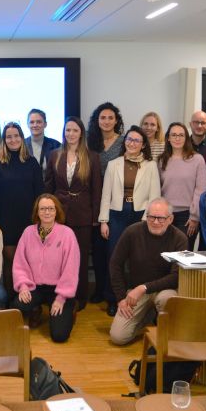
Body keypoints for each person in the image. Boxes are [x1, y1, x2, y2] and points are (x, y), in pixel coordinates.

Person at [98, 126, 161, 316]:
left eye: (137, 140)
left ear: (143, 145)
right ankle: (113, 298)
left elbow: (154, 195)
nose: (132, 143)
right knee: (115, 257)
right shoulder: (114, 164)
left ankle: (137, 298)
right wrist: (103, 220)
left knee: (139, 258)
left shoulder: (150, 165)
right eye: (129, 139)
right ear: (124, 141)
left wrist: (148, 220)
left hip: (141, 214)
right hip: (117, 214)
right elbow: (105, 194)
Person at [108, 198, 187, 345]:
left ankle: (167, 332)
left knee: (166, 300)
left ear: (170, 219)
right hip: (137, 293)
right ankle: (148, 315)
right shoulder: (132, 232)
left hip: (165, 291)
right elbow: (115, 264)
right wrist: (120, 298)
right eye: (151, 217)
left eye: (161, 218)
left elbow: (176, 277)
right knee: (118, 337)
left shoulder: (179, 238)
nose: (155, 222)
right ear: (146, 216)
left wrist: (144, 288)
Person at [44, 117, 101, 310]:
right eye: (68, 130)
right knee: (57, 257)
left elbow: (96, 190)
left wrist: (95, 218)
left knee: (80, 257)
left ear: (81, 133)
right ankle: (59, 295)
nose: (71, 134)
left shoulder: (92, 157)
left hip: (83, 215)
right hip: (58, 214)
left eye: (75, 130)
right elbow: (49, 187)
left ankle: (79, 297)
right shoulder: (54, 155)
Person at [12, 194, 79, 343]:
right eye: (43, 209)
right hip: (34, 286)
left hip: (60, 289)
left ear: (57, 211)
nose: (47, 212)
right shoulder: (28, 232)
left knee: (59, 336)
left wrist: (61, 298)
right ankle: (36, 309)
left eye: (50, 209)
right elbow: (19, 264)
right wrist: (23, 286)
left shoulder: (67, 234)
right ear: (37, 212)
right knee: (17, 305)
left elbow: (71, 270)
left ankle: (70, 306)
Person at [0, 122, 44, 295]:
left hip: (29, 223)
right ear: (4, 140)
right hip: (6, 225)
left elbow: (40, 194)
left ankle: (32, 305)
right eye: (9, 137)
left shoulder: (32, 162)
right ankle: (13, 304)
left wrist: (39, 222)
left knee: (32, 264)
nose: (13, 140)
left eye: (16, 136)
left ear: (21, 137)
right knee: (11, 265)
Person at [86, 102, 125, 304]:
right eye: (103, 117)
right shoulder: (90, 140)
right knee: (98, 250)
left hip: (117, 201)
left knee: (114, 251)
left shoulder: (125, 141)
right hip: (94, 199)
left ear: (116, 120)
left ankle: (113, 293)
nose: (107, 121)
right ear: (97, 120)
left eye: (110, 117)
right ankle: (100, 289)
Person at [158, 122, 206, 251]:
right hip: (164, 214)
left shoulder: (197, 159)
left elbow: (201, 190)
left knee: (183, 254)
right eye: (174, 135)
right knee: (164, 254)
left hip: (187, 216)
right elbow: (157, 189)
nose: (177, 138)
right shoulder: (161, 160)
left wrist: (195, 216)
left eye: (181, 135)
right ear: (168, 138)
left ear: (186, 138)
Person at [25, 109, 61, 174]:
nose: (35, 125)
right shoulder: (21, 145)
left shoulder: (56, 145)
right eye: (32, 122)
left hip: (48, 183)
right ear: (27, 124)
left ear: (45, 124)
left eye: (38, 122)